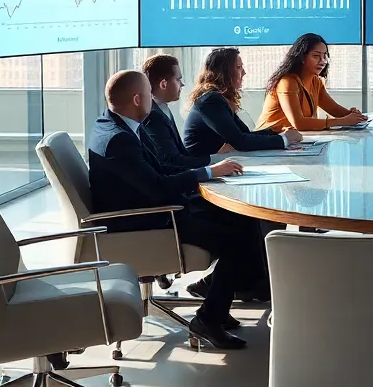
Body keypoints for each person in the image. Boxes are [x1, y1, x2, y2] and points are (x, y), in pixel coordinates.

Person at [87, 70, 263, 350]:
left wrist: (208, 172)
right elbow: (158, 186)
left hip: (152, 209)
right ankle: (208, 318)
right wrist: (206, 171)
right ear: (137, 98)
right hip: (145, 222)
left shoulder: (117, 125)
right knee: (237, 241)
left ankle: (219, 299)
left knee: (243, 221)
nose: (151, 102)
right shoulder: (119, 140)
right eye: (148, 95)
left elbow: (157, 171)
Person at [182, 47, 303, 157]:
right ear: (224, 72)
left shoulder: (220, 98)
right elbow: (241, 142)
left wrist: (274, 131)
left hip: (219, 160)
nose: (244, 73)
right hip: (202, 167)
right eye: (239, 67)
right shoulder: (210, 100)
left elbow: (244, 134)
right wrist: (284, 139)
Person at [256, 33, 366, 132]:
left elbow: (334, 109)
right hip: (269, 141)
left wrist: (352, 115)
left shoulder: (316, 81)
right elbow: (298, 123)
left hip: (292, 140)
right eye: (316, 56)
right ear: (302, 58)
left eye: (325, 56)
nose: (322, 61)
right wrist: (341, 121)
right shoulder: (287, 82)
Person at [141, 53, 208, 169]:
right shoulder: (153, 116)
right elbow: (171, 160)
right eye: (178, 79)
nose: (182, 84)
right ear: (163, 84)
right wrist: (213, 161)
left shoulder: (162, 109)